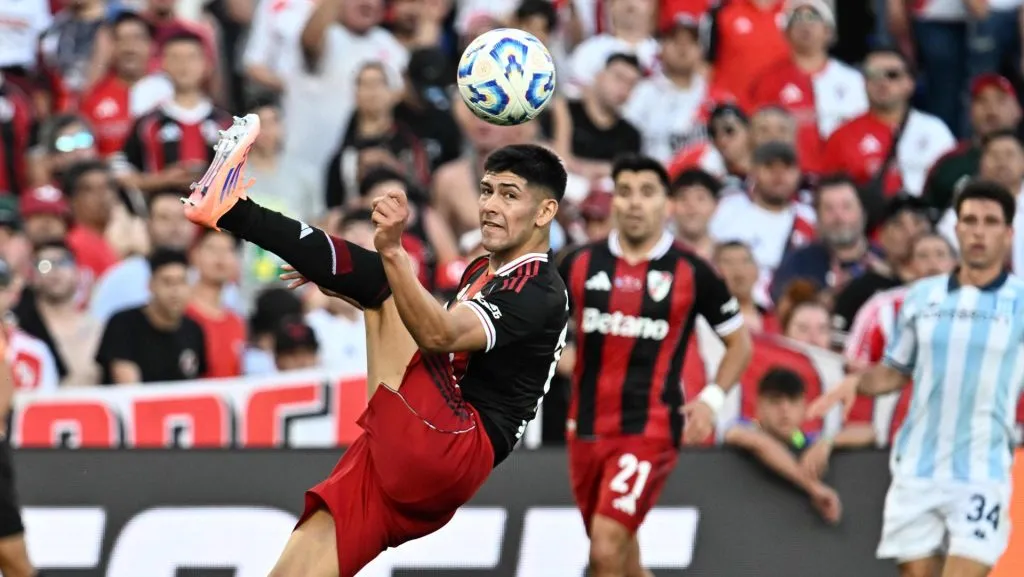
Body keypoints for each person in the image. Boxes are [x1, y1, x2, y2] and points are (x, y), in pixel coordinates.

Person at [181, 115, 570, 576]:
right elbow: (415, 324)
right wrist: (338, 280)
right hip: (422, 450)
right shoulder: (483, 270)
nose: (489, 205)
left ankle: (231, 210)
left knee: (385, 280)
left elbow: (437, 335)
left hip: (453, 444)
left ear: (545, 212)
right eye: (486, 191)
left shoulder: (537, 287)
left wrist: (390, 255)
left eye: (509, 195)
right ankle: (227, 210)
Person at [811, 179, 1024, 577]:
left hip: (983, 471)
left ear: (1008, 233)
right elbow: (895, 372)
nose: (979, 231)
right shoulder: (922, 298)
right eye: (970, 221)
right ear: (956, 228)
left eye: (991, 222)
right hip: (917, 469)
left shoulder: (1020, 302)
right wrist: (859, 383)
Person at [557, 154, 752, 577]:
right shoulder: (577, 263)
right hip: (586, 425)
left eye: (647, 192)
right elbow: (541, 328)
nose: (634, 203)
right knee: (621, 552)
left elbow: (740, 344)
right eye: (624, 192)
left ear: (668, 204)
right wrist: (557, 354)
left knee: (606, 547)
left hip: (650, 428)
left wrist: (710, 400)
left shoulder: (693, 270)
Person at [724, 367, 842, 524]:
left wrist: (827, 443)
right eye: (775, 401)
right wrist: (813, 487)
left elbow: (868, 433)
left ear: (803, 407)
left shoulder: (799, 439)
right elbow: (763, 444)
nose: (784, 410)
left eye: (792, 401)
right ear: (759, 405)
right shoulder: (743, 427)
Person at [95, 249, 207, 385]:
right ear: (151, 285)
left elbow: (196, 384)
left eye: (182, 282)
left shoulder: (194, 330)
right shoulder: (123, 324)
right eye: (167, 282)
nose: (175, 291)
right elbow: (127, 388)